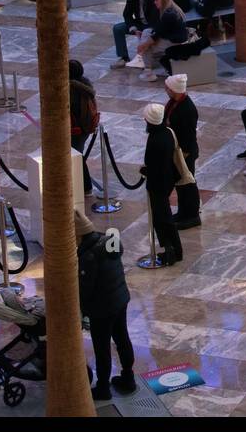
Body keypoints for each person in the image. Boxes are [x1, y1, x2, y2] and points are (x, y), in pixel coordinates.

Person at [75, 210, 136, 400]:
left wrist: (82, 312)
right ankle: (128, 377)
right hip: (120, 299)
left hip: (102, 308)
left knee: (102, 348)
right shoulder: (108, 241)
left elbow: (86, 289)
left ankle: (103, 387)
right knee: (122, 338)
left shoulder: (88, 256)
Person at [136, 103, 183, 266]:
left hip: (158, 184)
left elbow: (155, 165)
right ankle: (173, 250)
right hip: (167, 180)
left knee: (163, 218)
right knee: (162, 217)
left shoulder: (156, 139)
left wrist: (145, 170)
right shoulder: (167, 132)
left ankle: (173, 251)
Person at [163, 74, 201, 228]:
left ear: (174, 90)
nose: (166, 90)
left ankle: (192, 216)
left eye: (167, 88)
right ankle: (183, 212)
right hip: (177, 151)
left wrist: (183, 153)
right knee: (181, 184)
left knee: (188, 184)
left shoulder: (187, 109)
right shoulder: (175, 103)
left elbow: (189, 134)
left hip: (185, 152)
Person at [131, 0, 189, 79]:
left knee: (148, 46)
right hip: (173, 36)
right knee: (146, 32)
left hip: (175, 42)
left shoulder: (168, 14)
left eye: (156, 0)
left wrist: (142, 46)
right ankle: (147, 62)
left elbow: (156, 35)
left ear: (163, 0)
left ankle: (148, 72)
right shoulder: (171, 9)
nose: (154, 2)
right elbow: (158, 29)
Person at [111, 0, 158, 68]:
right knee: (117, 29)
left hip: (151, 23)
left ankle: (144, 59)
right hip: (139, 23)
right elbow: (127, 14)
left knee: (146, 33)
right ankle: (124, 57)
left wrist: (147, 29)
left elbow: (156, 14)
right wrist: (134, 28)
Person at [69, 60, 99, 195]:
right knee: (77, 155)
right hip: (85, 127)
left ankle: (86, 187)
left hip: (77, 129)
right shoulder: (85, 83)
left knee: (77, 157)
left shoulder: (71, 89)